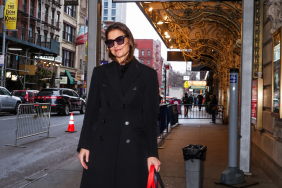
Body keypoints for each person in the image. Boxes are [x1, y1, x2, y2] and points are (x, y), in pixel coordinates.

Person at [77, 22, 161, 188]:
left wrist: (152, 154)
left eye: (119, 40)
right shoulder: (100, 73)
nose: (115, 45)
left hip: (134, 148)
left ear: (129, 40)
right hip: (102, 146)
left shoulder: (147, 75)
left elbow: (150, 120)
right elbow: (92, 112)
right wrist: (84, 145)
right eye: (110, 42)